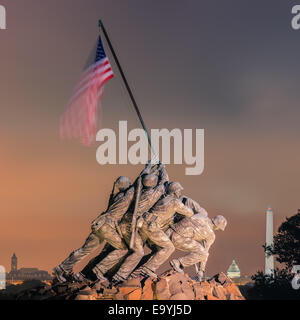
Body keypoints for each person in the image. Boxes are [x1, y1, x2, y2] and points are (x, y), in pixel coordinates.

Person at [53, 164, 151, 284]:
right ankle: (98, 271)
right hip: (107, 227)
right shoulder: (126, 196)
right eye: (129, 184)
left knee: (84, 250)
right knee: (123, 248)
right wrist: (148, 167)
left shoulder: (116, 196)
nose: (131, 185)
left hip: (99, 223)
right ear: (126, 186)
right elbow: (139, 181)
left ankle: (62, 268)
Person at [130, 182, 194, 279]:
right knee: (169, 248)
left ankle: (137, 270)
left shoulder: (163, 198)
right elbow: (189, 213)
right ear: (175, 192)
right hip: (151, 227)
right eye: (179, 190)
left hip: (144, 225)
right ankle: (148, 269)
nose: (180, 192)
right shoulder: (174, 202)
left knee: (158, 250)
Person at [167, 213, 227, 281]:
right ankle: (178, 263)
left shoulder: (202, 215)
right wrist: (201, 270)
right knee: (203, 254)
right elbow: (205, 252)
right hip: (178, 238)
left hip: (169, 231)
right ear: (217, 227)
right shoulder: (211, 235)